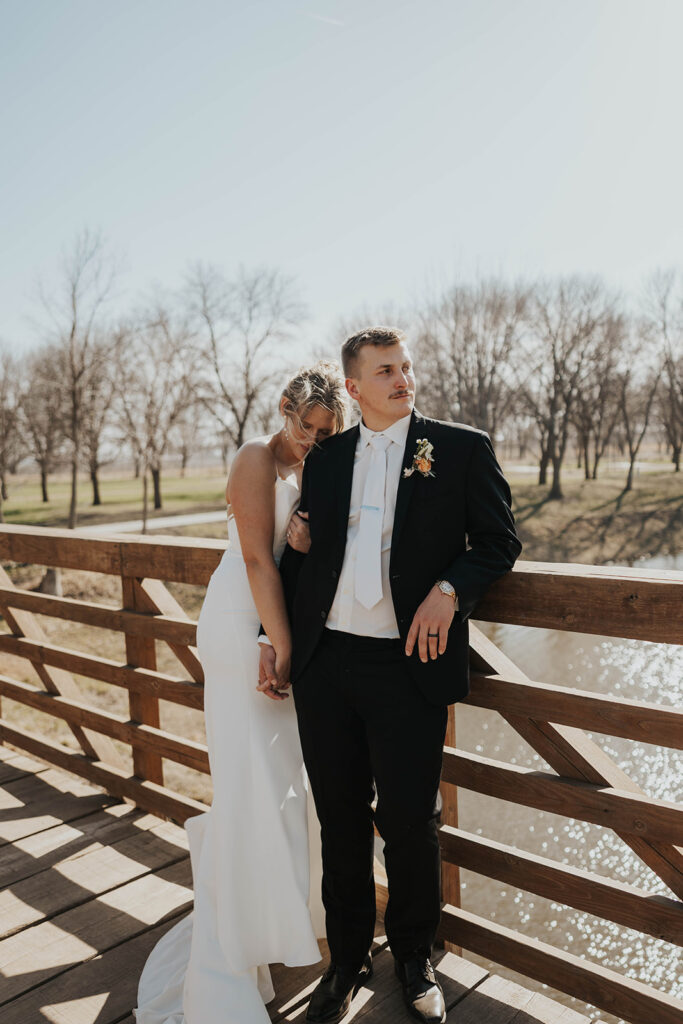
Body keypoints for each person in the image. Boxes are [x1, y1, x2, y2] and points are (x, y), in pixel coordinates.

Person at [259, 327, 522, 1024]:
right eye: (385, 370)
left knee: (410, 822)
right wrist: (272, 634)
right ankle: (344, 962)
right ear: (354, 387)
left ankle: (413, 957)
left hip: (407, 668)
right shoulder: (329, 457)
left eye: (405, 367)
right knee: (339, 820)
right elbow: (303, 558)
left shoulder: (460, 448)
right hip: (325, 665)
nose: (402, 379)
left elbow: (498, 543)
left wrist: (449, 590)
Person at [134, 360, 349, 1024]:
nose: (314, 439)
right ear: (284, 408)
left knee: (281, 781)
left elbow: (303, 554)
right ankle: (230, 953)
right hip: (241, 624)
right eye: (306, 425)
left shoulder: (316, 465)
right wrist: (275, 643)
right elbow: (258, 559)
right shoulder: (255, 458)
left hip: (277, 627)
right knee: (246, 778)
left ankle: (267, 927)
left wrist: (309, 545)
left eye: (325, 430)